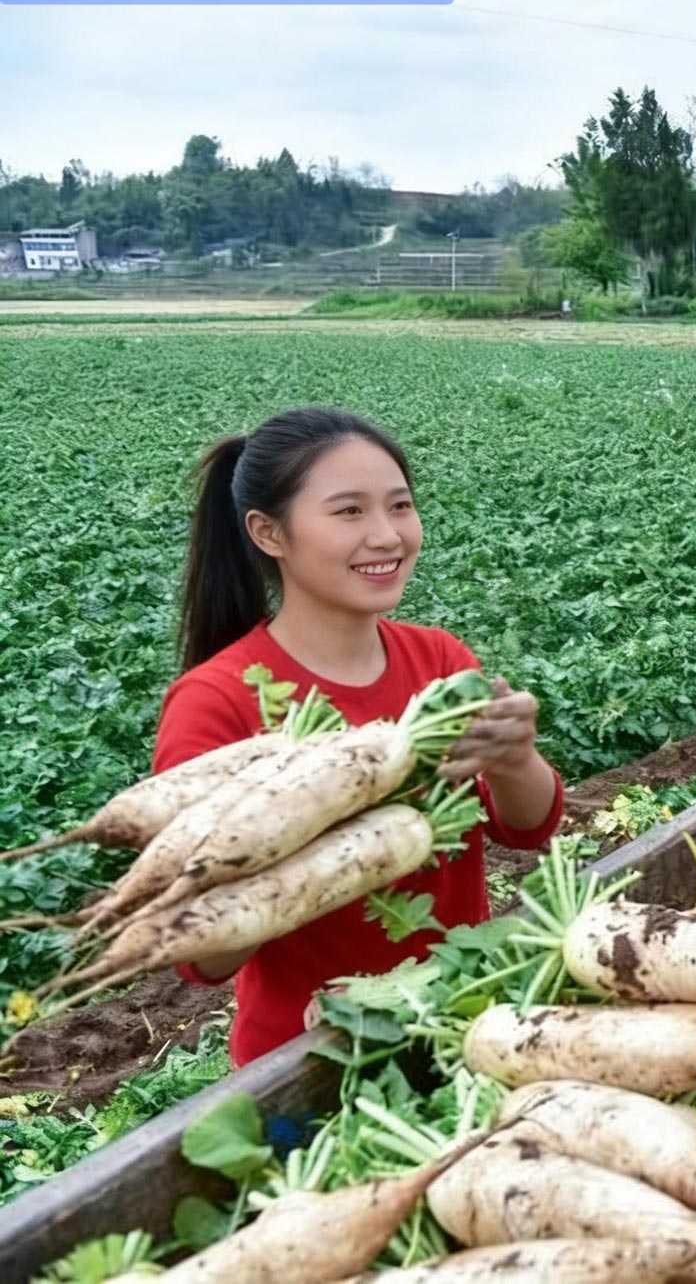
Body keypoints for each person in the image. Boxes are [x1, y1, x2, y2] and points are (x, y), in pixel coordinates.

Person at [161, 408, 565, 1066]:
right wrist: (298, 835)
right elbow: (201, 952)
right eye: (349, 512)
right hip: (309, 1060)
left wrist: (515, 756)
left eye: (400, 506)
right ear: (269, 533)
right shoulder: (217, 700)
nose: (387, 535)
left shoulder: (438, 662)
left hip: (463, 1022)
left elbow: (528, 829)